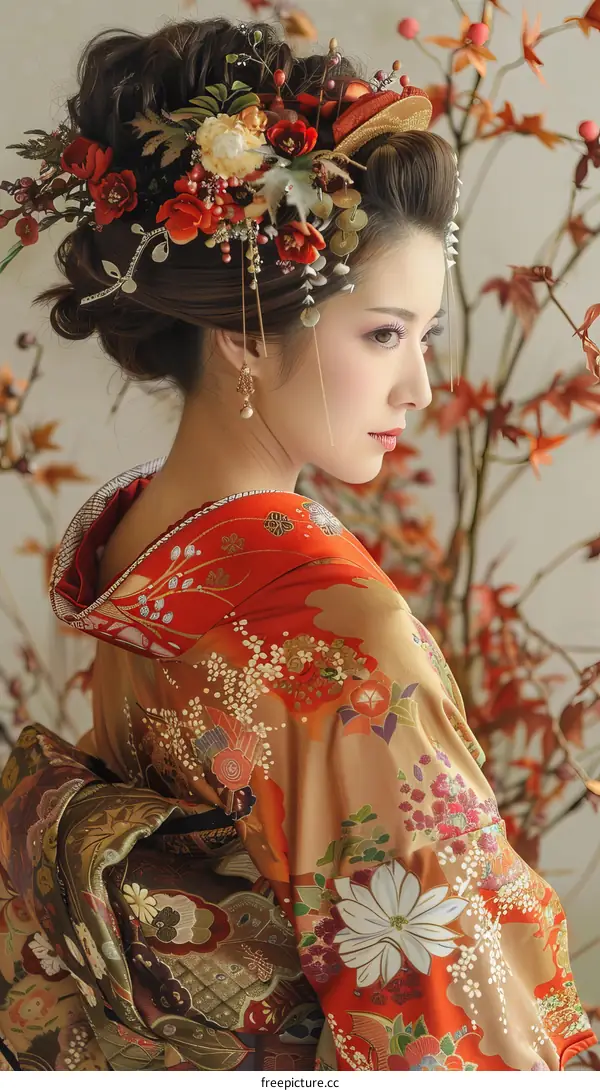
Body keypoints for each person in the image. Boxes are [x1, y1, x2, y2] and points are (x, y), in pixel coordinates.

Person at [0, 16, 595, 1073]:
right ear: (241, 331)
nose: (419, 387)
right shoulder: (345, 642)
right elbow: (449, 1019)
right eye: (383, 334)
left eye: (425, 337)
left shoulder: (137, 550)